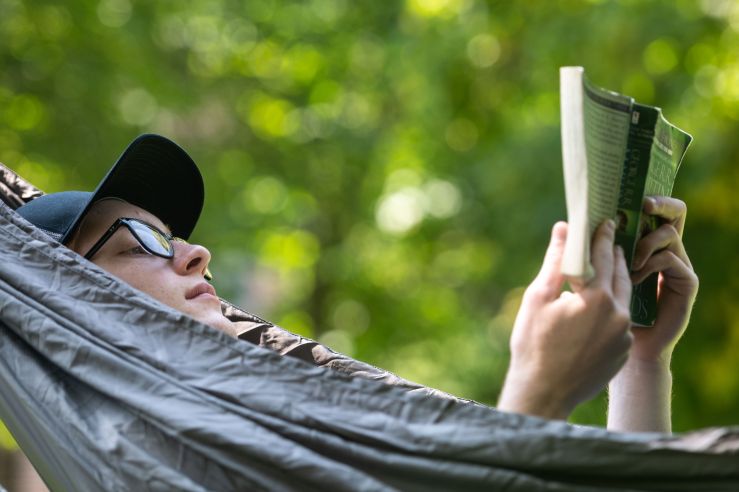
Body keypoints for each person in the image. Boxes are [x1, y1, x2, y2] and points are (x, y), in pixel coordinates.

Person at [15, 134, 698, 432]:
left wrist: (642, 365)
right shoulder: (155, 461)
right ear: (69, 298)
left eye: (181, 236)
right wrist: (536, 394)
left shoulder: (266, 420)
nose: (196, 255)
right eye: (145, 239)